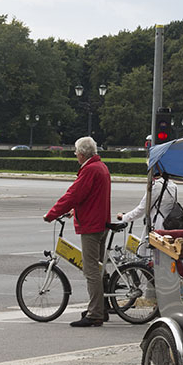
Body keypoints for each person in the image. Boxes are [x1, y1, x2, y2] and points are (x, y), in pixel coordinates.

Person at [44, 136, 112, 328]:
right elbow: (92, 196)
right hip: (102, 221)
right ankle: (103, 307)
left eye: (76, 152)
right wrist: (74, 210)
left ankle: (95, 313)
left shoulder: (90, 169)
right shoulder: (101, 167)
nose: (75, 155)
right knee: (99, 268)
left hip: (91, 225)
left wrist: (52, 214)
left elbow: (73, 194)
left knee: (91, 270)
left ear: (82, 154)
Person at [117, 176, 183, 230]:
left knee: (144, 246)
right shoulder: (173, 186)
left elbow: (142, 209)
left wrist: (124, 217)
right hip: (169, 224)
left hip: (156, 225)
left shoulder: (157, 186)